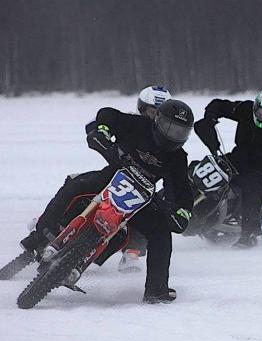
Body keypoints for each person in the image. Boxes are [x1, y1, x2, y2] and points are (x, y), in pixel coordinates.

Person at [20, 97, 194, 304]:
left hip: (141, 197)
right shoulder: (138, 125)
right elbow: (108, 114)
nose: (172, 135)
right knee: (75, 187)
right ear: (157, 119)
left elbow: (183, 190)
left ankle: (156, 290)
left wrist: (183, 212)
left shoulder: (178, 157)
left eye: (179, 132)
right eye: (169, 127)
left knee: (161, 234)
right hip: (112, 175)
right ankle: (42, 232)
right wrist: (102, 131)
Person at [194, 87, 262, 248]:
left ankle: (250, 234)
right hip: (237, 158)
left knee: (251, 190)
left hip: (260, 171)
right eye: (261, 111)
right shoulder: (245, 110)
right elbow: (218, 105)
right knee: (201, 167)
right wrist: (210, 119)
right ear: (255, 107)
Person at [117, 85, 172, 273]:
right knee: (79, 184)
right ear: (142, 109)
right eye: (152, 111)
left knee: (149, 211)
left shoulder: (167, 138)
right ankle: (51, 228)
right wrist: (101, 132)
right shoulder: (129, 121)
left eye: (160, 113)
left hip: (143, 187)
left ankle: (131, 252)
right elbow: (100, 121)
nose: (155, 117)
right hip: (115, 175)